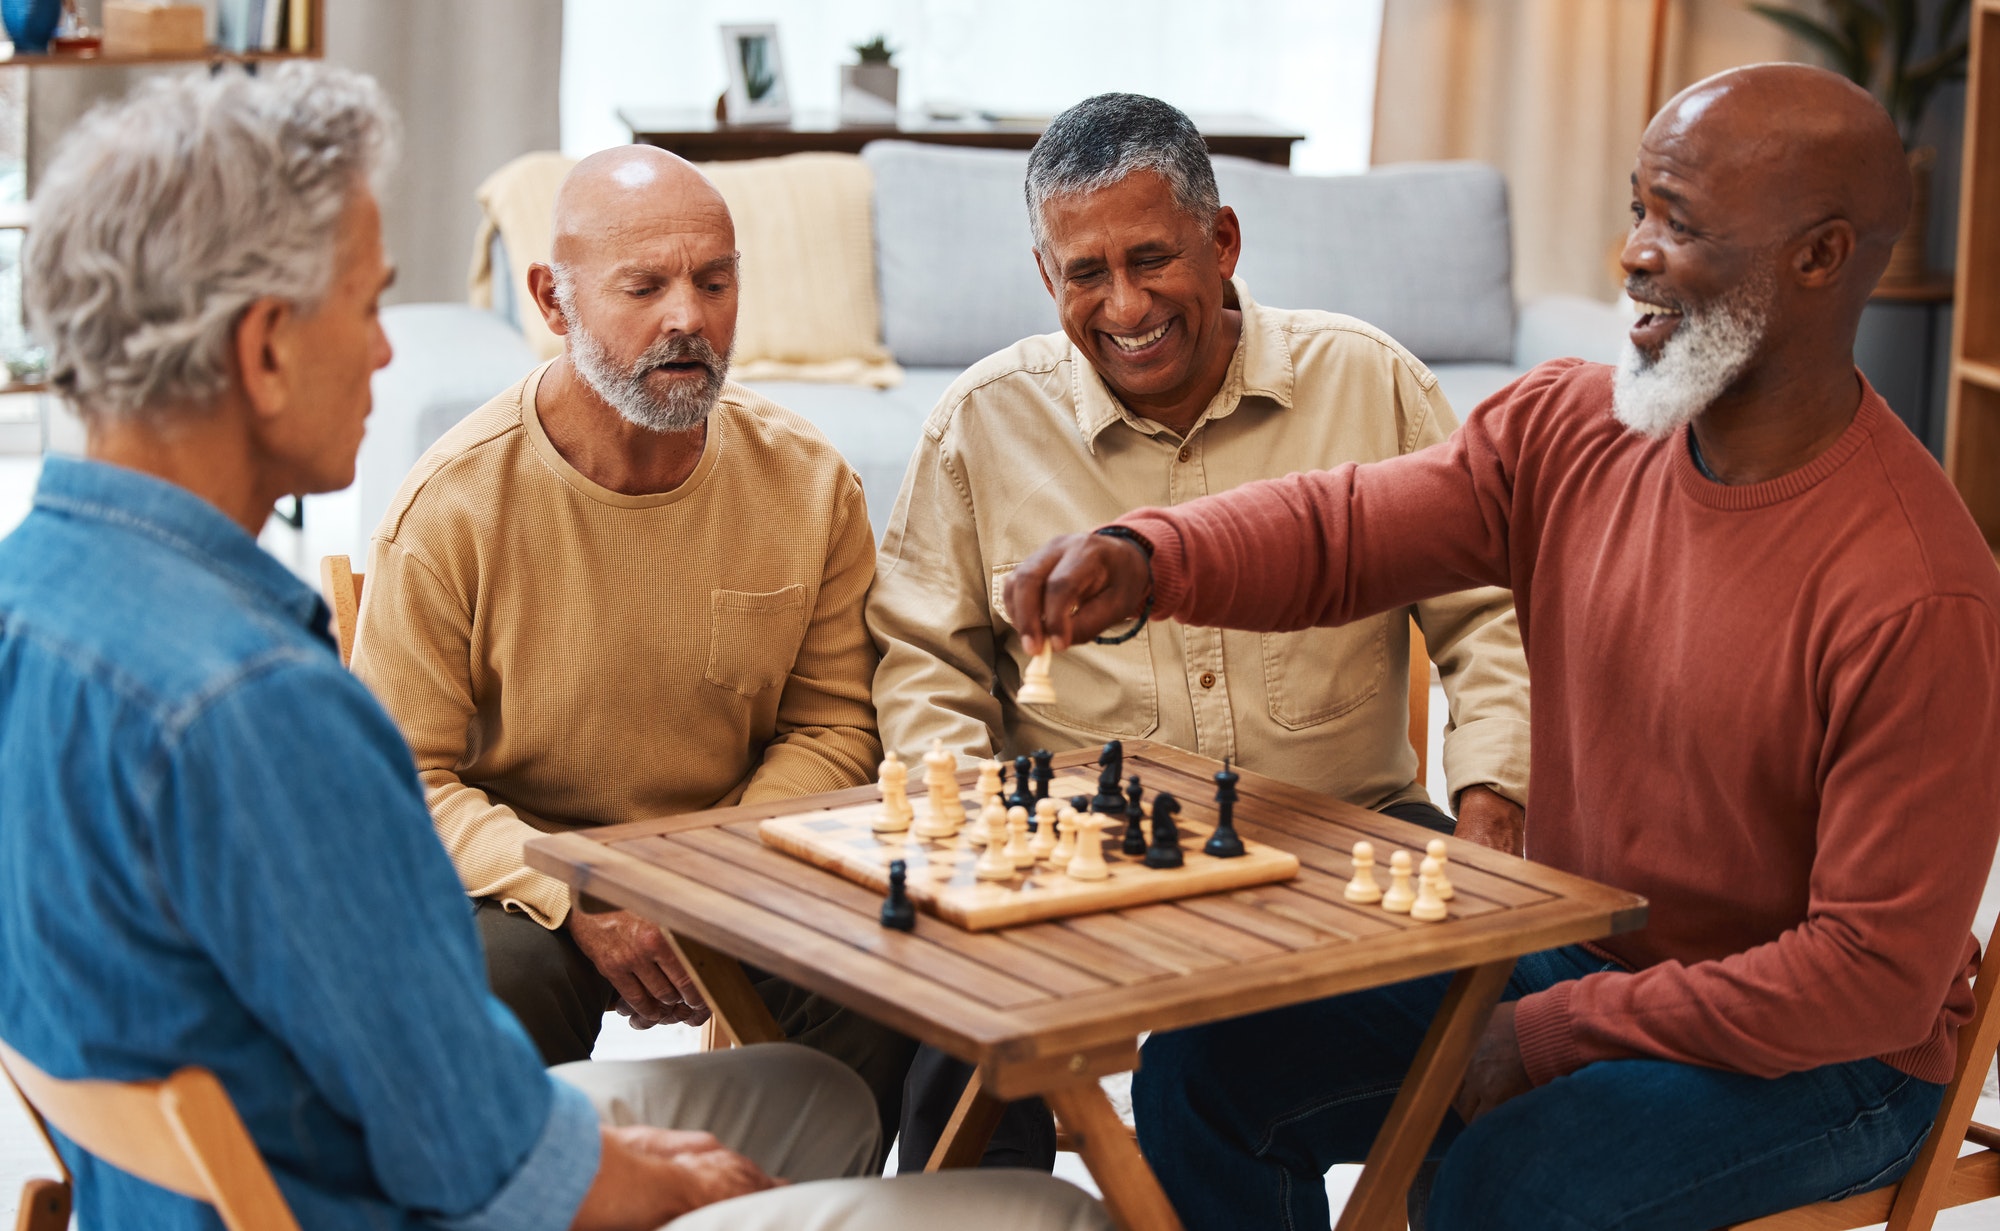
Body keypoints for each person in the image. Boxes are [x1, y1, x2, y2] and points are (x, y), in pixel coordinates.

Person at [0, 65, 1105, 1231]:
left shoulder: (34, 600)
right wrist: (659, 1182)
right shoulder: (258, 706)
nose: (386, 355)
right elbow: (467, 1146)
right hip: (404, 1203)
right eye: (367, 305)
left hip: (197, 1195)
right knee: (1044, 1212)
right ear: (268, 350)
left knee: (814, 1096)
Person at [1004, 65, 2000, 1230]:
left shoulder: (1917, 589)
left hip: (1825, 1059)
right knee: (1207, 1066)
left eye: (1677, 222)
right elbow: (1346, 527)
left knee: (1504, 1184)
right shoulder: (1574, 423)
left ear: (1819, 258)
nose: (1631, 252)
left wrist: (1552, 1029)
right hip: (1583, 950)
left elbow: (1867, 981)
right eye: (1634, 206)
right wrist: (1147, 555)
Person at [866, 92, 1532, 1172]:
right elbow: (923, 660)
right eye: (1086, 274)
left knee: (1491, 1020)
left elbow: (1487, 615)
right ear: (1046, 278)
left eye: (1151, 260)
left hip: (1347, 837)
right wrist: (967, 838)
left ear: (1220, 242)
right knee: (947, 1021)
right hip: (1079, 860)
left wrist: (1495, 794)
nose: (1124, 306)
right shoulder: (980, 422)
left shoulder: (1368, 380)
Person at [350, 144, 915, 1157]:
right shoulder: (451, 507)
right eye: (644, 286)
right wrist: (582, 896)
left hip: (736, 860)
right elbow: (399, 781)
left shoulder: (811, 482)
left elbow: (835, 721)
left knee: (877, 967)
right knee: (487, 985)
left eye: (714, 280)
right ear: (553, 302)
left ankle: (794, 1212)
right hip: (531, 879)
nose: (688, 318)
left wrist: (705, 882)